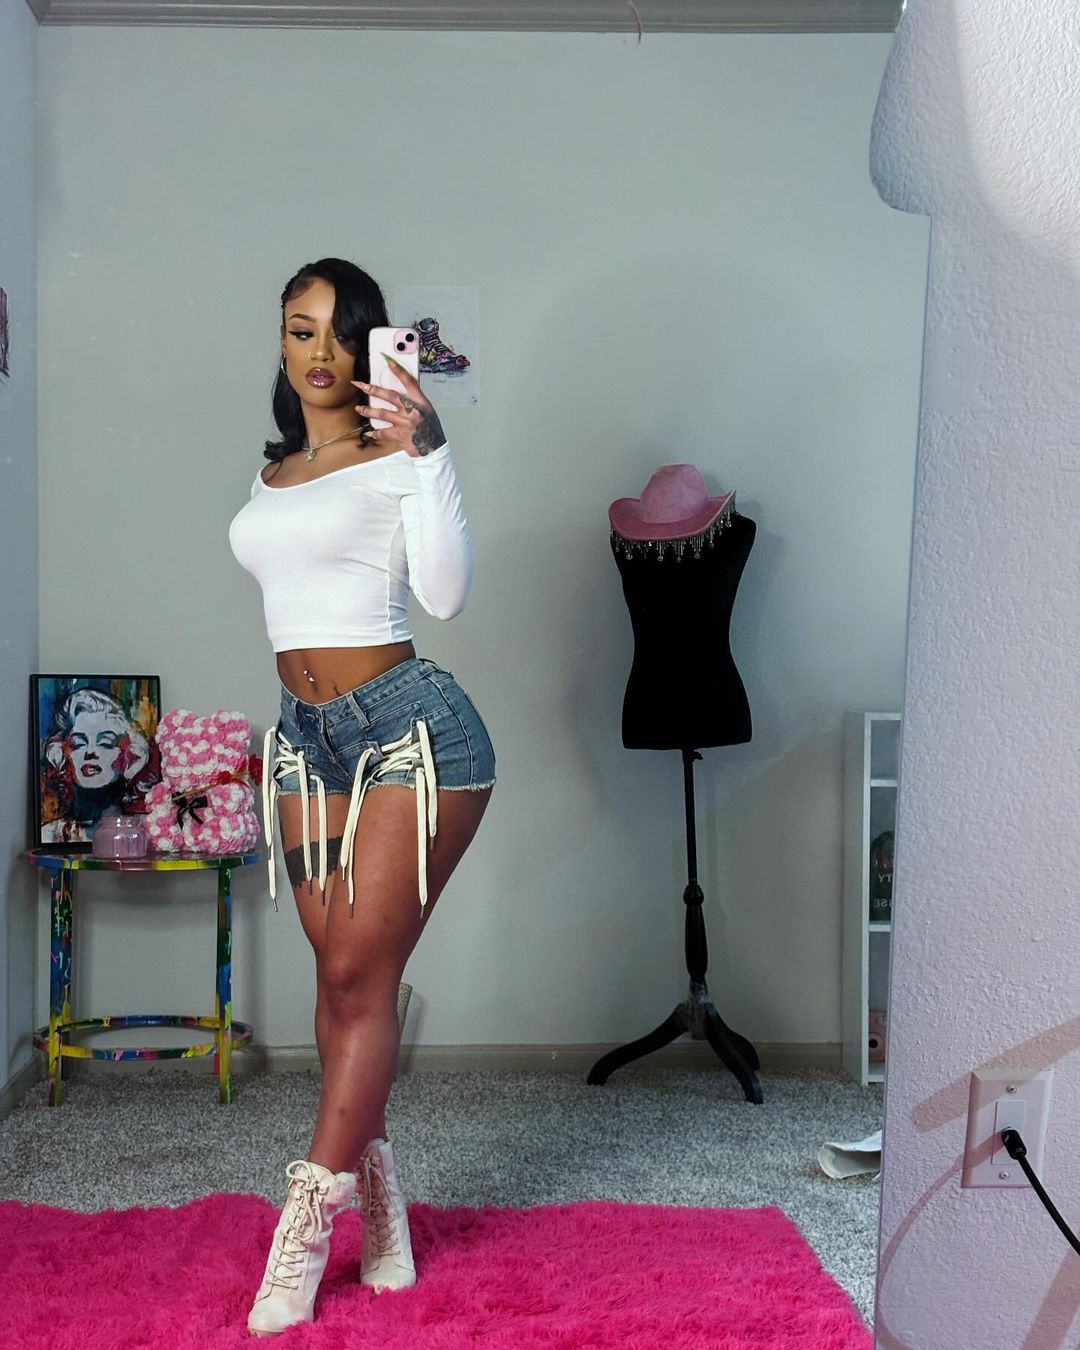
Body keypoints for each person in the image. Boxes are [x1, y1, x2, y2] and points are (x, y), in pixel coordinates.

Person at [228, 257, 496, 1336]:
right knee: (345, 985)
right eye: (301, 330)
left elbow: (447, 596)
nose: (320, 352)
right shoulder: (274, 471)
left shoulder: (399, 457)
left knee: (355, 971)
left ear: (374, 346)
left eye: (342, 333)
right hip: (304, 742)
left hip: (411, 734)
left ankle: (302, 1226)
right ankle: (380, 1205)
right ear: (281, 342)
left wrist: (430, 454)